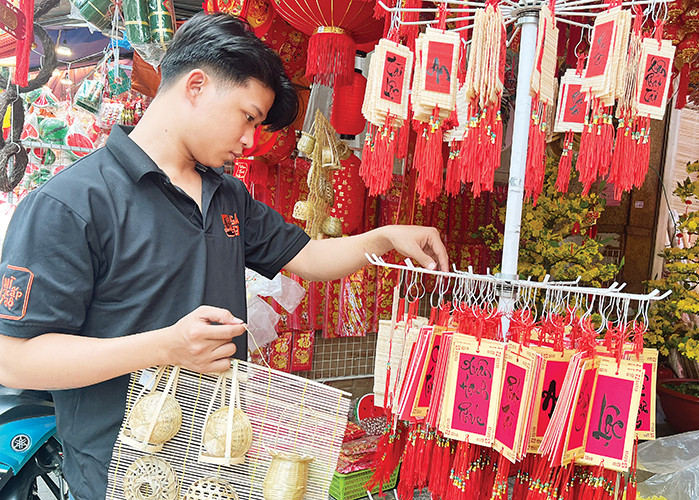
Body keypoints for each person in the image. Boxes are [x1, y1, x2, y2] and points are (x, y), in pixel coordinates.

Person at [0, 13, 447, 500]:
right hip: (123, 479)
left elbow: (310, 256)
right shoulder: (73, 203)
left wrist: (382, 237)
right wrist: (164, 347)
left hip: (220, 472)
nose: (251, 141)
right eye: (248, 117)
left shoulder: (227, 196)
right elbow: (15, 360)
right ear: (196, 85)